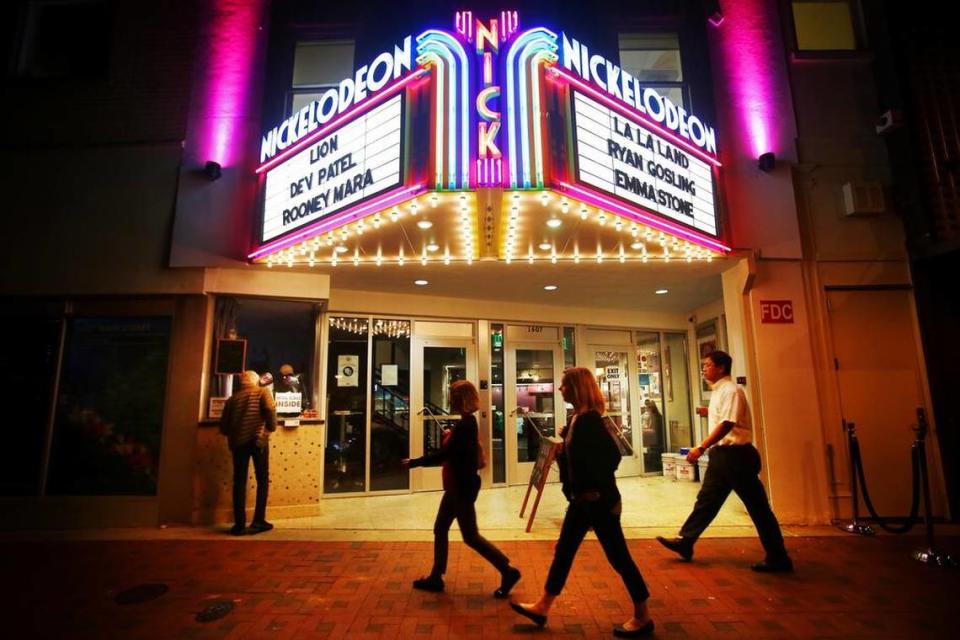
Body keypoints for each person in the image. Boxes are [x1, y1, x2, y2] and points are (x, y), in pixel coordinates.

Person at [511, 368, 654, 638]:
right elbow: (577, 461)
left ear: (576, 388)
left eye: (564, 385)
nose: (560, 389)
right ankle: (543, 606)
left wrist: (594, 488)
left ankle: (643, 615)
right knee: (563, 552)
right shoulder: (576, 418)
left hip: (598, 502)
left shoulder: (590, 420)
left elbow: (613, 457)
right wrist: (566, 449)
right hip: (580, 502)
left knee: (619, 558)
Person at [656, 350, 793, 572]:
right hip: (723, 456)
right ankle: (686, 541)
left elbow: (727, 424)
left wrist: (701, 446)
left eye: (708, 365)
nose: (704, 368)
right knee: (707, 500)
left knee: (758, 508)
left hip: (736, 456)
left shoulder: (732, 390)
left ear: (721, 368)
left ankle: (778, 557)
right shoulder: (720, 392)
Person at [402, 380, 521, 597]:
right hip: (458, 486)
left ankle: (507, 570)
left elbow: (447, 455)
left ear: (460, 399)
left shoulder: (466, 424)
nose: (450, 400)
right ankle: (436, 577)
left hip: (461, 487)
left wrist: (415, 462)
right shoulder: (466, 422)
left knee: (470, 536)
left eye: (453, 396)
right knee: (441, 528)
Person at [219, 370, 278, 536]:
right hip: (258, 441)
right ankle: (258, 520)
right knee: (262, 479)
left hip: (238, 444)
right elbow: (270, 413)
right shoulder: (262, 392)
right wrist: (269, 429)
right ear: (256, 381)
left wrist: (238, 432)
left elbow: (223, 427)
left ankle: (239, 525)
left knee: (239, 482)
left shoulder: (232, 400)